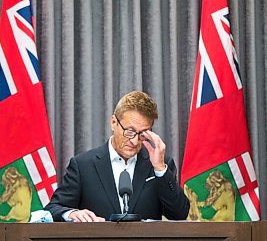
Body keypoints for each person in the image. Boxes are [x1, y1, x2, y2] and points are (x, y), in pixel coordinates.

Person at [45, 91, 190, 222]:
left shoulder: (161, 165)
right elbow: (53, 209)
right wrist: (71, 214)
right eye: (129, 131)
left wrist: (159, 169)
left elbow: (179, 214)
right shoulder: (83, 165)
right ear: (114, 122)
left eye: (142, 134)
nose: (134, 141)